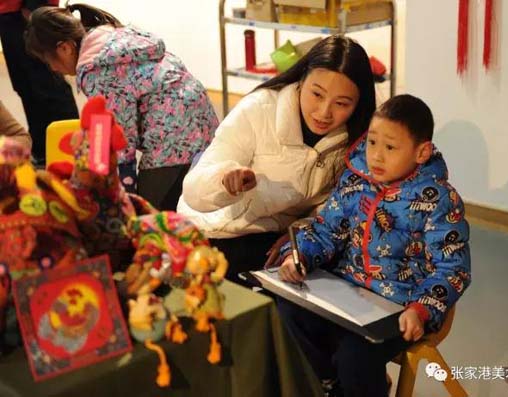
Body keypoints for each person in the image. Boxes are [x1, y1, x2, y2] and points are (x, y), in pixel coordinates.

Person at [276, 94, 471, 397]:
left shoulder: (438, 200)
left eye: (390, 147)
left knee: (356, 356)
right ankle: (327, 385)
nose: (376, 156)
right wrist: (300, 258)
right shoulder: (356, 180)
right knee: (287, 311)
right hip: (345, 293)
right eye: (372, 143)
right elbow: (327, 229)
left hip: (401, 307)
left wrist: (421, 310)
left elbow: (451, 268)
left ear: (422, 152)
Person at [178, 35, 376, 283]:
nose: (324, 112)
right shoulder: (259, 109)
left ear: (358, 104)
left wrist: (302, 232)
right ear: (302, 79)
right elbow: (194, 192)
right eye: (317, 94)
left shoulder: (356, 139)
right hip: (215, 232)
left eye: (342, 103)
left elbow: (337, 206)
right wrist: (224, 180)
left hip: (275, 241)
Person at [25, 4, 219, 210]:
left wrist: (124, 196)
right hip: (205, 125)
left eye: (48, 61)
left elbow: (120, 139)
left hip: (175, 143)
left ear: (64, 48)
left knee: (148, 217)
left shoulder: (97, 69)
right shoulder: (112, 37)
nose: (53, 69)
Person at [0, 0, 79, 167]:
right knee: (25, 86)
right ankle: (42, 152)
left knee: (49, 84)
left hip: (27, 9)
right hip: (7, 13)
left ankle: (72, 150)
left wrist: (34, 6)